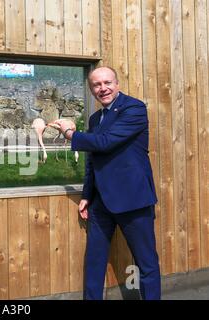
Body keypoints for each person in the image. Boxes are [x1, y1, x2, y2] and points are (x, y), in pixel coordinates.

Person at [54, 66, 161, 300]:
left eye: (107, 83)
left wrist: (71, 134)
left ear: (117, 84)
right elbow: (93, 159)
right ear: (92, 90)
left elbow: (105, 142)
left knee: (147, 263)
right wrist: (86, 195)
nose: (102, 89)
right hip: (100, 203)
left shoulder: (134, 108)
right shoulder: (95, 118)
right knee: (94, 261)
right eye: (96, 85)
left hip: (134, 200)